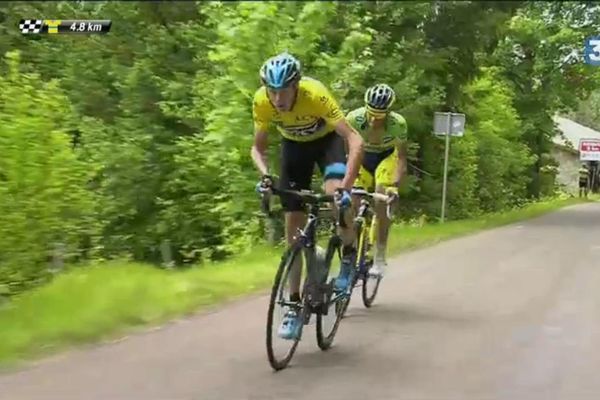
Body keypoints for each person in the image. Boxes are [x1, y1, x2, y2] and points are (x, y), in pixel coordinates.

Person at [250, 52, 364, 339]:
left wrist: (347, 186)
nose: (278, 99)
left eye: (283, 91)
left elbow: (354, 139)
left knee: (335, 196)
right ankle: (294, 304)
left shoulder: (315, 94)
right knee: (293, 232)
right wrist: (265, 174)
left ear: (296, 86)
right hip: (294, 150)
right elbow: (257, 148)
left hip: (327, 145)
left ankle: (349, 252)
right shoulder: (261, 102)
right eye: (272, 91)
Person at [345, 83, 408, 277]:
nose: (373, 120)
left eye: (379, 117)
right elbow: (346, 152)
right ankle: (353, 248)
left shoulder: (398, 124)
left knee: (382, 195)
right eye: (370, 114)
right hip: (361, 158)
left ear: (388, 114)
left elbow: (402, 159)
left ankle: (380, 255)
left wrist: (394, 186)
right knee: (353, 200)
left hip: (386, 159)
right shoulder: (353, 119)